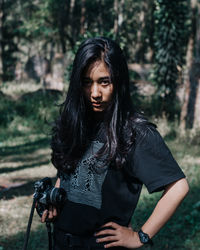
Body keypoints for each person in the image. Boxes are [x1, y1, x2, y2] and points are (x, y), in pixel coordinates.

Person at [41, 37, 189, 249]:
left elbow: (178, 187)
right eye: (86, 82)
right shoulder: (75, 122)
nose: (95, 93)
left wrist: (140, 236)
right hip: (61, 241)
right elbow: (66, 171)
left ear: (118, 82)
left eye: (104, 82)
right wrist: (54, 201)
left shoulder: (135, 132)